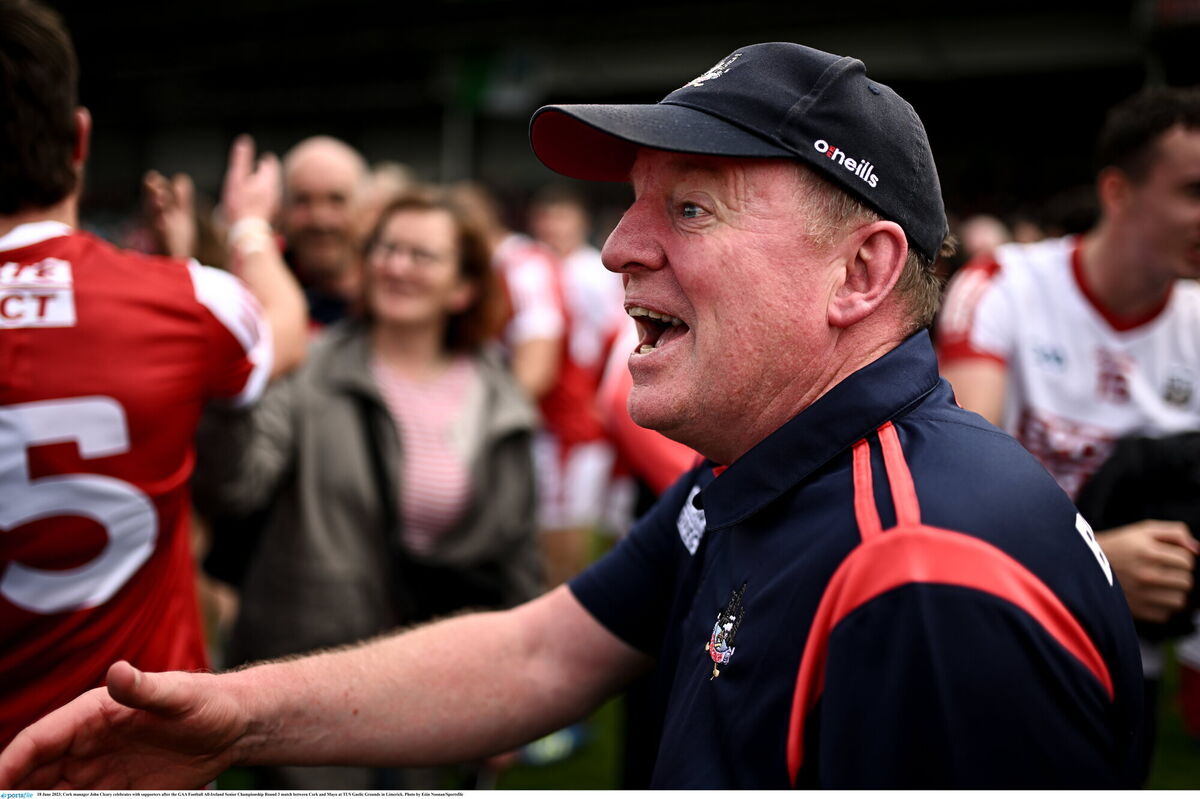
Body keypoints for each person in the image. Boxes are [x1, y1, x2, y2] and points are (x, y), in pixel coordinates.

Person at [0, 42, 1146, 789]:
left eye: (687, 208)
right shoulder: (772, 465)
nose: (615, 249)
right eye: (630, 203)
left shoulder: (921, 579)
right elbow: (542, 648)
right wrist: (232, 715)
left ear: (860, 272)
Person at [0, 0, 307, 747]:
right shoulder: (186, 298)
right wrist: (248, 226)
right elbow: (285, 327)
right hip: (134, 740)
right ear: (80, 139)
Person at [190, 190, 542, 789]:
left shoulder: (499, 397)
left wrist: (524, 692)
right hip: (312, 685)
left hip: (444, 690)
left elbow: (516, 555)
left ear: (463, 289)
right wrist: (230, 387)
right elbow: (233, 489)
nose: (396, 265)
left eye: (422, 255)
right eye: (386, 248)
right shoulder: (309, 368)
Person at [936, 85, 1200, 774]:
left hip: (1125, 653)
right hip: (995, 624)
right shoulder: (1003, 286)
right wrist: (1100, 560)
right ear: (1117, 190)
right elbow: (950, 497)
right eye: (1193, 190)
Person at [527, 185, 628, 583]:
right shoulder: (527, 264)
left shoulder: (597, 270)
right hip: (545, 409)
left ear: (579, 221)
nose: (555, 227)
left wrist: (602, 398)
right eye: (548, 217)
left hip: (584, 411)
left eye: (563, 216)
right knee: (548, 512)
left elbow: (616, 337)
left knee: (583, 512)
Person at [280, 136, 369, 326]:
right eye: (303, 200)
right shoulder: (262, 291)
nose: (320, 219)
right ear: (282, 210)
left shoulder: (393, 291)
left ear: (365, 209)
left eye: (336, 199)